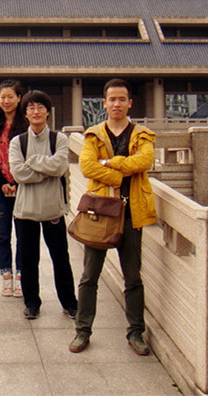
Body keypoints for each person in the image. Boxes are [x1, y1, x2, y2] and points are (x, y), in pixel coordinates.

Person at [69, 78, 157, 356]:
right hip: (101, 213)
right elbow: (86, 166)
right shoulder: (94, 135)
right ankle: (82, 331)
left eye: (121, 99)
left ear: (130, 103)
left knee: (132, 277)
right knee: (89, 276)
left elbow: (145, 161)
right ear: (104, 103)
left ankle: (136, 333)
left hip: (131, 213)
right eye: (112, 99)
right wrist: (121, 175)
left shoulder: (142, 134)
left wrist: (108, 162)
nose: (116, 104)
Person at [8, 90, 78, 320]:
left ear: (48, 113)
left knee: (61, 258)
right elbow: (18, 173)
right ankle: (31, 303)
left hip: (52, 210)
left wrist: (33, 162)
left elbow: (60, 167)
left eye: (40, 107)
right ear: (25, 114)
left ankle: (69, 302)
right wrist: (46, 169)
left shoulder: (59, 139)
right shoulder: (18, 142)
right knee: (28, 260)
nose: (35, 112)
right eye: (31, 108)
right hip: (25, 211)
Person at [0, 80, 28, 298]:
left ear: (19, 98)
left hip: (23, 189)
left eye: (10, 97)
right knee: (2, 235)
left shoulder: (26, 127)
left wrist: (17, 183)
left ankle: (20, 277)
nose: (6, 101)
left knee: (23, 235)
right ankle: (6, 275)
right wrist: (1, 182)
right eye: (3, 97)